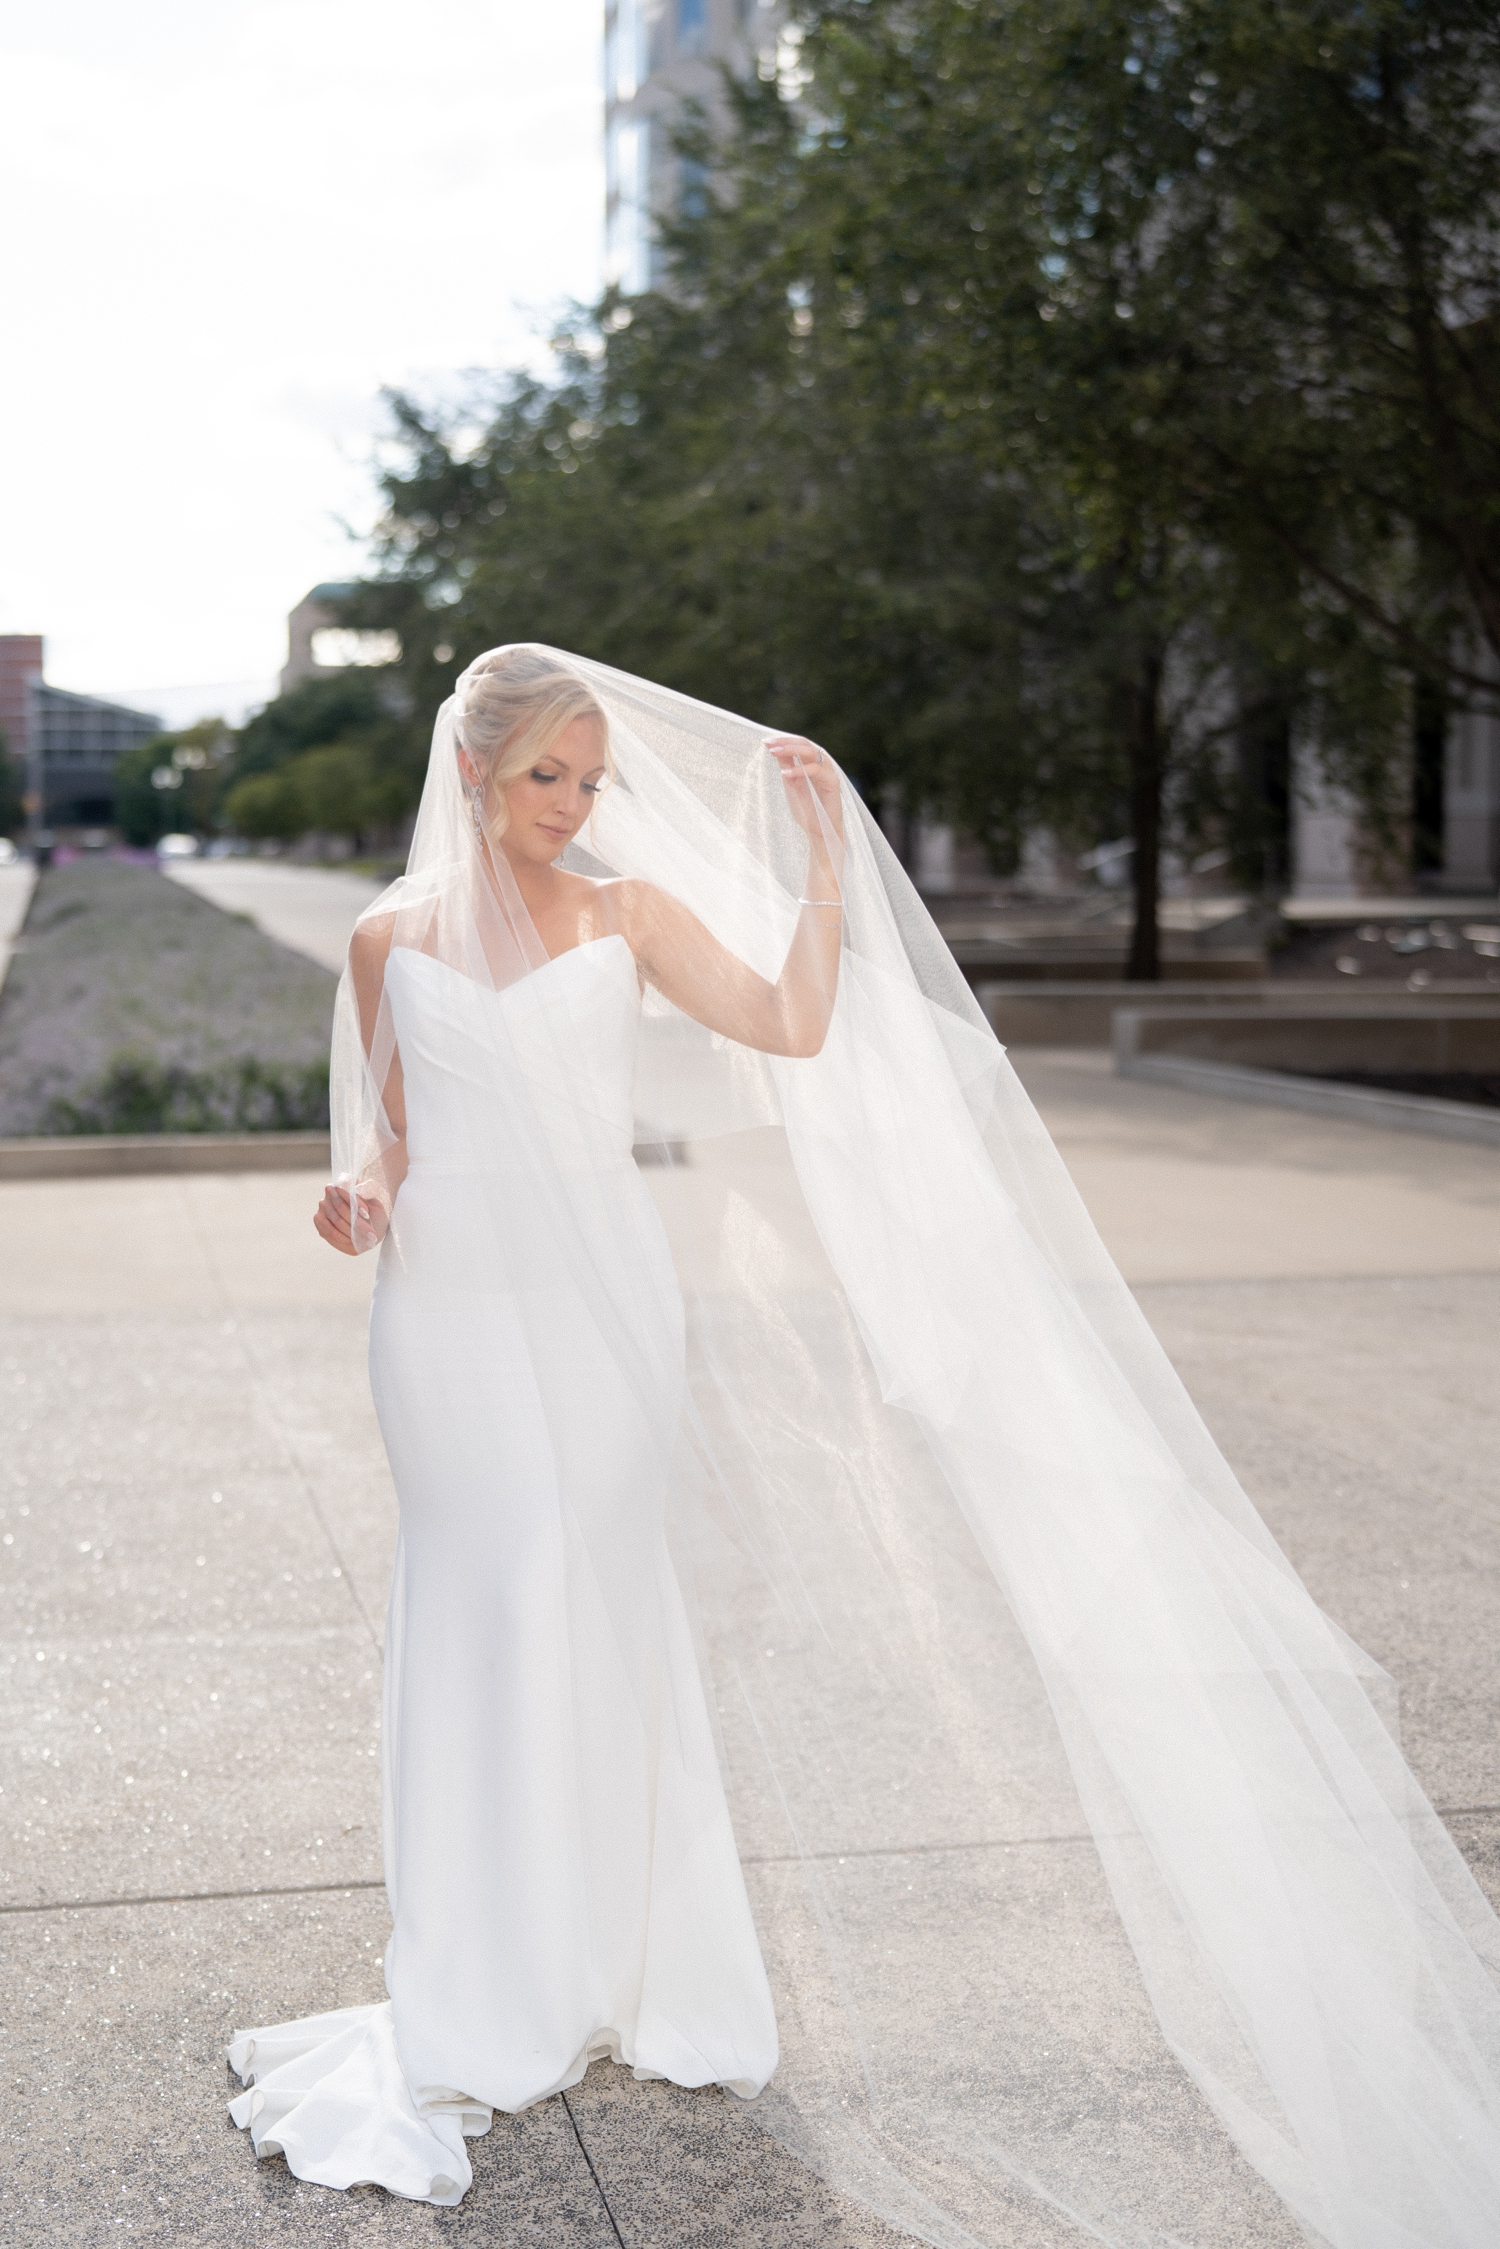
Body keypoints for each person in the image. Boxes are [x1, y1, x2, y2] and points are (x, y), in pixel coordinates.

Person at [229, 646, 1500, 2247]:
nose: (574, 804)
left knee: (597, 1598)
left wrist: (824, 867)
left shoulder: (624, 917)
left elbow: (790, 1020)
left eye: (592, 778)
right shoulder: (381, 938)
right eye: (548, 775)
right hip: (444, 1319)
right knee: (483, 1600)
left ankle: (618, 1962)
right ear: (475, 771)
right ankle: (485, 1974)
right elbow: (392, 1143)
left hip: (604, 1309)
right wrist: (356, 1198)